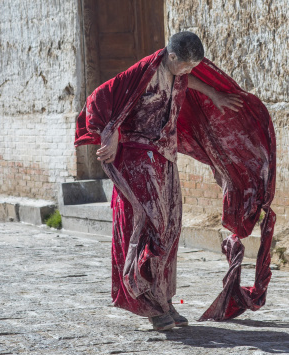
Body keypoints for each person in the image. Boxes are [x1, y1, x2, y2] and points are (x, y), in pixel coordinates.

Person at [75, 32, 276, 330]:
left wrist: (215, 94)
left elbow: (186, 81)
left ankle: (164, 299)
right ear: (171, 57)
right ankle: (149, 304)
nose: (187, 72)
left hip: (165, 159)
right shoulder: (143, 73)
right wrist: (113, 133)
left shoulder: (179, 74)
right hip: (137, 160)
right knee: (151, 226)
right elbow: (99, 99)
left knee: (171, 228)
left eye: (192, 67)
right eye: (184, 65)